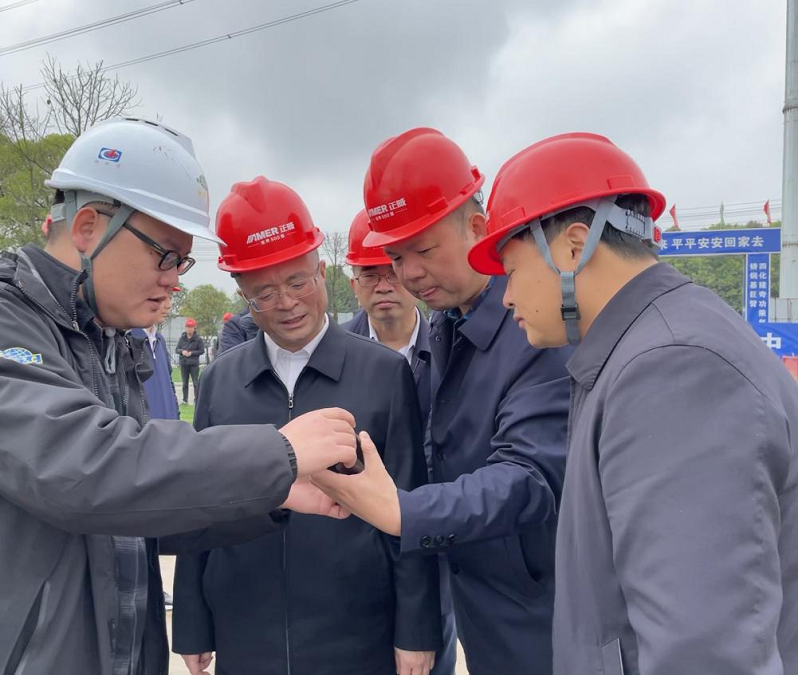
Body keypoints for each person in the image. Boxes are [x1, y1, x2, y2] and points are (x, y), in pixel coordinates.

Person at [0, 118, 360, 675]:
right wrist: (278, 453)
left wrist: (273, 492)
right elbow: (84, 469)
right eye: (165, 255)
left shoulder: (103, 341)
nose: (174, 280)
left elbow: (138, 511)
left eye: (182, 262)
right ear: (88, 226)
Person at [467, 131, 798, 675]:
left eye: (512, 269)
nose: (505, 296)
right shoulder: (642, 347)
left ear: (574, 247)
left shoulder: (673, 370)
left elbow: (702, 655)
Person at [313, 128, 571, 675]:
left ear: (477, 228)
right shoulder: (445, 328)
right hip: (477, 600)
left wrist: (402, 510)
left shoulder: (536, 327)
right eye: (395, 256)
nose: (408, 273)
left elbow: (530, 477)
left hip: (541, 615)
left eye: (424, 250)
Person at [172, 176, 441, 675]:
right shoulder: (220, 382)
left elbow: (409, 506)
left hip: (357, 629)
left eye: (298, 282)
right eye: (264, 293)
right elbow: (199, 511)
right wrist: (191, 622)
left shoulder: (383, 374)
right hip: (245, 627)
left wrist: (416, 630)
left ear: (322, 271)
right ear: (242, 293)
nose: (287, 302)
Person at [341, 210, 456, 674]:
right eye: (370, 274)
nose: (384, 285)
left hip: (434, 538)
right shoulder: (332, 357)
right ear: (354, 284)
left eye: (391, 270)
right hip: (354, 553)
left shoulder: (454, 348)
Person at [132, 292, 180, 421]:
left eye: (170, 297)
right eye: (162, 298)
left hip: (168, 427)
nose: (168, 305)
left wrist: (176, 416)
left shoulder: (159, 340)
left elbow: (170, 385)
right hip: (146, 430)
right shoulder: (127, 341)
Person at [176, 318, 204, 404]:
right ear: (185, 328)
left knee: (195, 383)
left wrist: (191, 353)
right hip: (184, 363)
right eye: (188, 327)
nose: (189, 329)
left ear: (194, 328)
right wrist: (182, 351)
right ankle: (185, 400)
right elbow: (177, 349)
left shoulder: (198, 339)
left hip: (194, 363)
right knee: (184, 383)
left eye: (191, 327)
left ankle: (197, 399)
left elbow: (201, 351)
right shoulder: (182, 338)